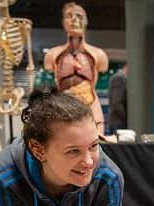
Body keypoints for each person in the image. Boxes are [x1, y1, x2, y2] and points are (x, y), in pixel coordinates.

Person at [44, 2, 108, 133]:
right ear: (63, 22)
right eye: (69, 16)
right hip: (62, 107)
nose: (74, 19)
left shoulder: (99, 55)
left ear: (86, 21)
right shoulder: (52, 55)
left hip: (90, 107)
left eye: (79, 16)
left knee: (94, 143)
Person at [107, 64, 127, 133]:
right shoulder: (119, 78)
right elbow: (117, 103)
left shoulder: (119, 77)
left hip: (118, 121)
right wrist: (127, 118)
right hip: (119, 122)